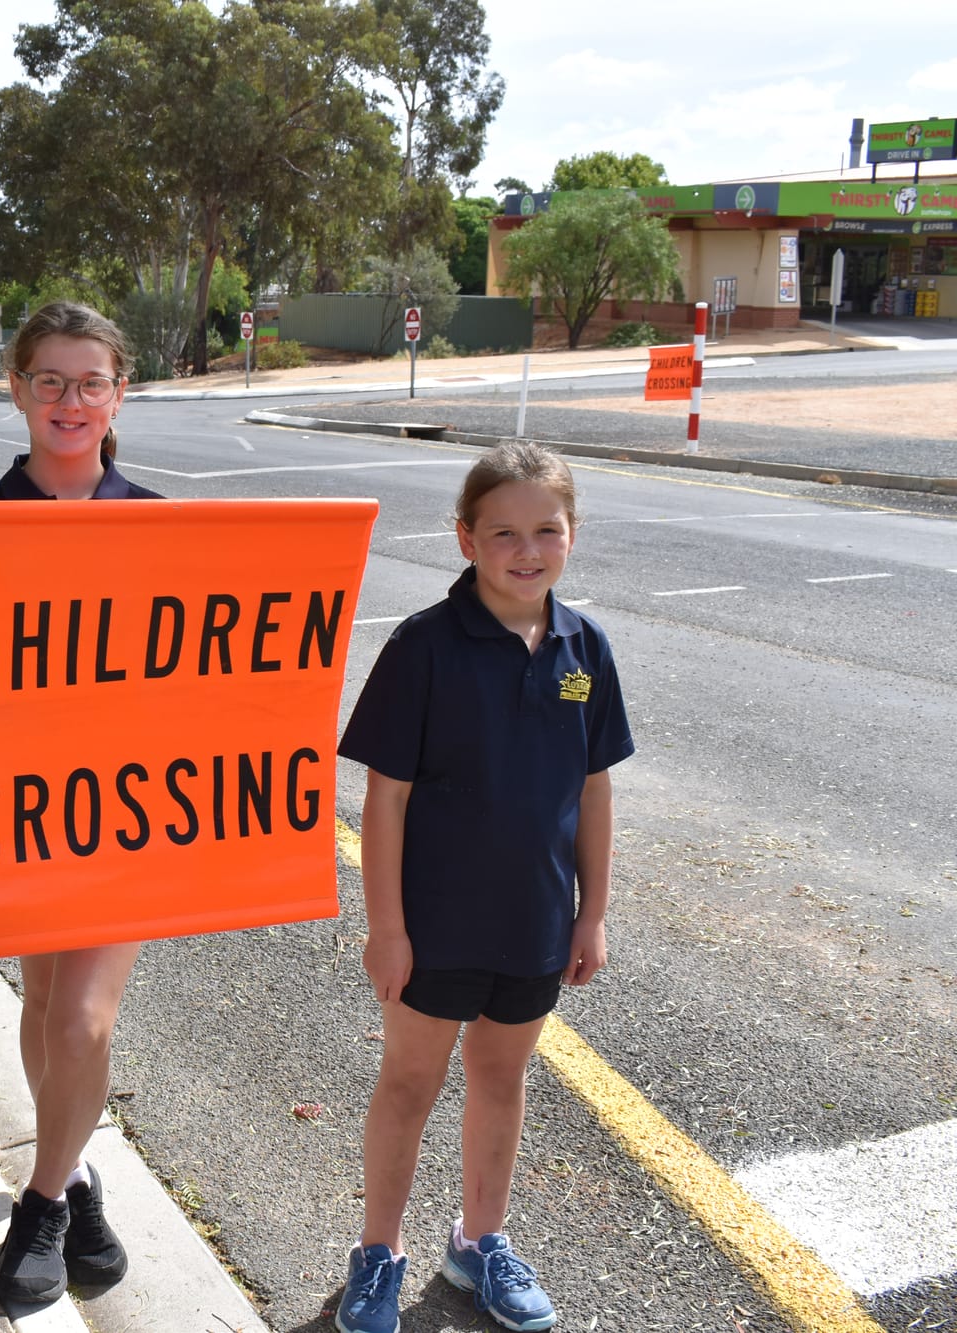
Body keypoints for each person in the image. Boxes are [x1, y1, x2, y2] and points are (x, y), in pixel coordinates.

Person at [330, 442, 634, 1333]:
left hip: (536, 923)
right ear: (466, 538)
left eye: (547, 529)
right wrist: (387, 928)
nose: (526, 549)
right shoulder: (425, 646)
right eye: (503, 531)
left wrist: (594, 913)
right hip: (434, 925)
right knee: (410, 1083)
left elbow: (594, 786)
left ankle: (479, 1242)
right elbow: (385, 798)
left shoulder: (586, 646)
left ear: (573, 535)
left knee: (502, 1077)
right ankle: (378, 1254)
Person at [0, 302, 161, 1307]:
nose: (69, 400)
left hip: (127, 816)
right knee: (44, 1008)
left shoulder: (155, 520)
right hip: (18, 812)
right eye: (48, 380)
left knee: (84, 1020)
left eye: (89, 382)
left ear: (117, 393)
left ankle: (41, 1203)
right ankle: (81, 1176)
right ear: (16, 388)